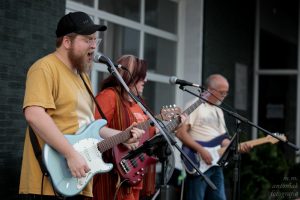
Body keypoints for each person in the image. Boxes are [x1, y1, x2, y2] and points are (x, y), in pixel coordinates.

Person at [19, 12, 144, 200]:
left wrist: (122, 136)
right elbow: (34, 114)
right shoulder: (44, 68)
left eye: (95, 40)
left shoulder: (83, 77)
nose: (93, 46)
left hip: (78, 179)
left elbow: (88, 128)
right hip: (49, 181)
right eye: (87, 40)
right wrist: (70, 154)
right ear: (67, 42)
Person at [175, 74, 251, 200]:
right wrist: (201, 150)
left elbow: (223, 140)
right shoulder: (195, 105)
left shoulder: (218, 111)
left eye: (226, 93)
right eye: (222, 92)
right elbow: (180, 133)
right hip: (198, 162)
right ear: (210, 89)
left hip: (215, 163)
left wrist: (238, 146)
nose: (224, 96)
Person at [92, 55, 157, 200]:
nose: (145, 80)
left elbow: (149, 134)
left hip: (132, 173)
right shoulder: (109, 96)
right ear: (131, 77)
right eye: (142, 76)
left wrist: (172, 125)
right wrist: (122, 137)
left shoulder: (138, 103)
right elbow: (92, 129)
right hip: (111, 174)